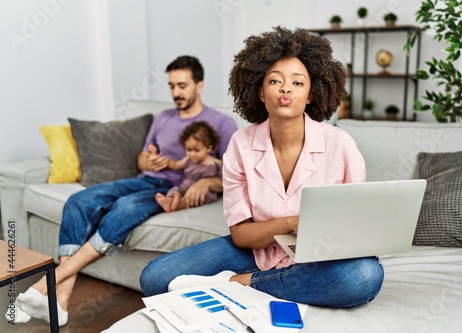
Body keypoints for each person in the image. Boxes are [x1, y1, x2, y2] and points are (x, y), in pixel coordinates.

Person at [140, 27, 384, 309]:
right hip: (256, 251)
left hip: (319, 256)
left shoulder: (341, 145)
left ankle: (237, 284)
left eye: (298, 83)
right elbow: (242, 234)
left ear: (310, 95)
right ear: (259, 92)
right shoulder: (241, 144)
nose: (286, 88)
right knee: (155, 278)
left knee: (364, 276)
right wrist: (292, 223)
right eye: (275, 80)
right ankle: (284, 283)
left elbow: (355, 227)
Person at [7, 55, 237, 326]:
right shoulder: (163, 117)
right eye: (172, 86)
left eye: (182, 85)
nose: (176, 92)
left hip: (173, 187)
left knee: (125, 208)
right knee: (78, 201)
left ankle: (49, 283)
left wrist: (206, 182)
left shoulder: (222, 123)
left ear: (199, 85)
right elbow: (140, 159)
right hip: (143, 179)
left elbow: (233, 174)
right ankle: (61, 301)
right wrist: (149, 160)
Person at [155, 121, 222, 212]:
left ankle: (179, 204)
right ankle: (169, 201)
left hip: (201, 191)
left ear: (209, 148)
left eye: (196, 150)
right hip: (184, 187)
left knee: (199, 196)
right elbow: (175, 165)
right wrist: (165, 161)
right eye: (189, 150)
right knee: (174, 190)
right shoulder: (187, 160)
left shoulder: (215, 163)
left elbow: (226, 180)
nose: (192, 154)